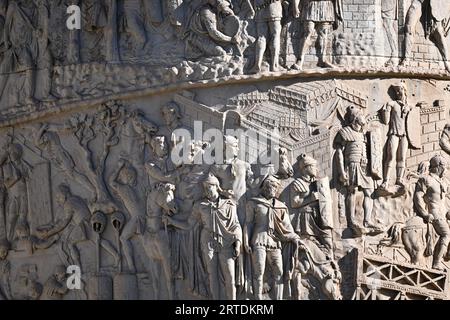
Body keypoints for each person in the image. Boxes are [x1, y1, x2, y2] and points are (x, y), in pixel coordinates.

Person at [244, 175, 300, 300]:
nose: (274, 189)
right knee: (259, 271)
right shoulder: (253, 203)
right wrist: (246, 241)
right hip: (259, 239)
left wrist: (294, 237)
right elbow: (248, 223)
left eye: (276, 187)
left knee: (279, 271)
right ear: (264, 187)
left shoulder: (280, 206)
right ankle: (258, 299)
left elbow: (287, 226)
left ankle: (278, 298)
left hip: (275, 241)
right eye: (272, 186)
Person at [334, 106, 376, 234]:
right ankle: (351, 221)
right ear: (356, 118)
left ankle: (367, 220)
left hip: (365, 166)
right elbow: (339, 152)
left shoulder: (363, 134)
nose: (364, 117)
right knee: (352, 191)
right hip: (352, 165)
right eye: (361, 115)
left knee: (369, 192)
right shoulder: (345, 132)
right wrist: (341, 171)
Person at [413, 155, 450, 271]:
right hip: (434, 213)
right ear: (438, 167)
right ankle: (436, 263)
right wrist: (424, 214)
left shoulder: (444, 182)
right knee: (446, 234)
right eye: (444, 167)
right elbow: (418, 197)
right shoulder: (426, 179)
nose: (445, 170)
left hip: (443, 213)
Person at [290, 154, 333, 252]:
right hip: (306, 217)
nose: (316, 169)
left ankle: (328, 263)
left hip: (321, 216)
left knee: (328, 243)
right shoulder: (297, 183)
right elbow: (294, 203)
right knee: (310, 245)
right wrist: (310, 199)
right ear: (306, 168)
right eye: (313, 166)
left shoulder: (318, 183)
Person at [400, 0, 450, 72]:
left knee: (438, 32)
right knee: (409, 27)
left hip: (433, 4)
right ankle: (406, 58)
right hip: (418, 2)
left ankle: (447, 61)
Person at [292, 0, 343, 70]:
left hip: (325, 6)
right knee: (308, 32)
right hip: (310, 5)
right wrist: (295, 5)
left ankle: (323, 60)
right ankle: (300, 60)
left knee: (324, 34)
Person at [379, 83, 411, 190]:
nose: (397, 93)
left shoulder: (409, 106)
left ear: (404, 90)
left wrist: (410, 110)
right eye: (396, 91)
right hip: (394, 134)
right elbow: (386, 121)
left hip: (405, 135)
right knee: (391, 156)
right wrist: (386, 110)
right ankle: (386, 181)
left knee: (402, 157)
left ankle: (399, 179)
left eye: (399, 90)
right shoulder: (391, 104)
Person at [248, 0, 283, 73]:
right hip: (274, 8)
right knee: (275, 36)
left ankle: (257, 65)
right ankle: (274, 66)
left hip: (259, 9)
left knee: (261, 37)